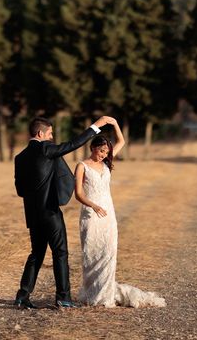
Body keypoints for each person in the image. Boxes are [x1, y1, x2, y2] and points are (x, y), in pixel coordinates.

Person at [13, 115, 115, 309]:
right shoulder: (45, 149)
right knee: (60, 253)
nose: (52, 137)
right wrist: (96, 126)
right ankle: (63, 298)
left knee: (36, 254)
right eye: (50, 133)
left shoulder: (20, 157)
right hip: (50, 212)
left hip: (32, 214)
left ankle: (22, 296)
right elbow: (73, 144)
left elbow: (20, 190)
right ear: (40, 133)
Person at [74, 120, 166, 308]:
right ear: (92, 148)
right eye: (100, 151)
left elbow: (121, 141)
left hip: (108, 213)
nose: (103, 155)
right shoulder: (82, 166)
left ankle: (105, 294)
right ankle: (92, 293)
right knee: (91, 253)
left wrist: (114, 123)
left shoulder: (108, 162)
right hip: (90, 215)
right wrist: (92, 205)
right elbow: (78, 193)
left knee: (108, 252)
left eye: (106, 152)